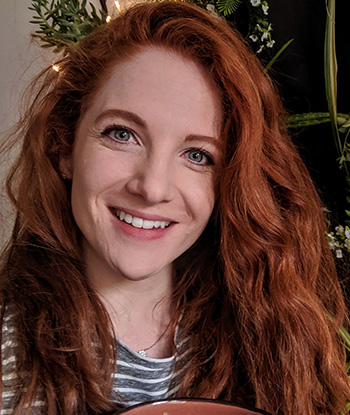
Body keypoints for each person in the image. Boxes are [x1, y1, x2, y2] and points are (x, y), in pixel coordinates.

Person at [0, 1, 349, 414]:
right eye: (122, 133)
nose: (152, 187)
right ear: (64, 146)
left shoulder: (269, 331)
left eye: (198, 155)